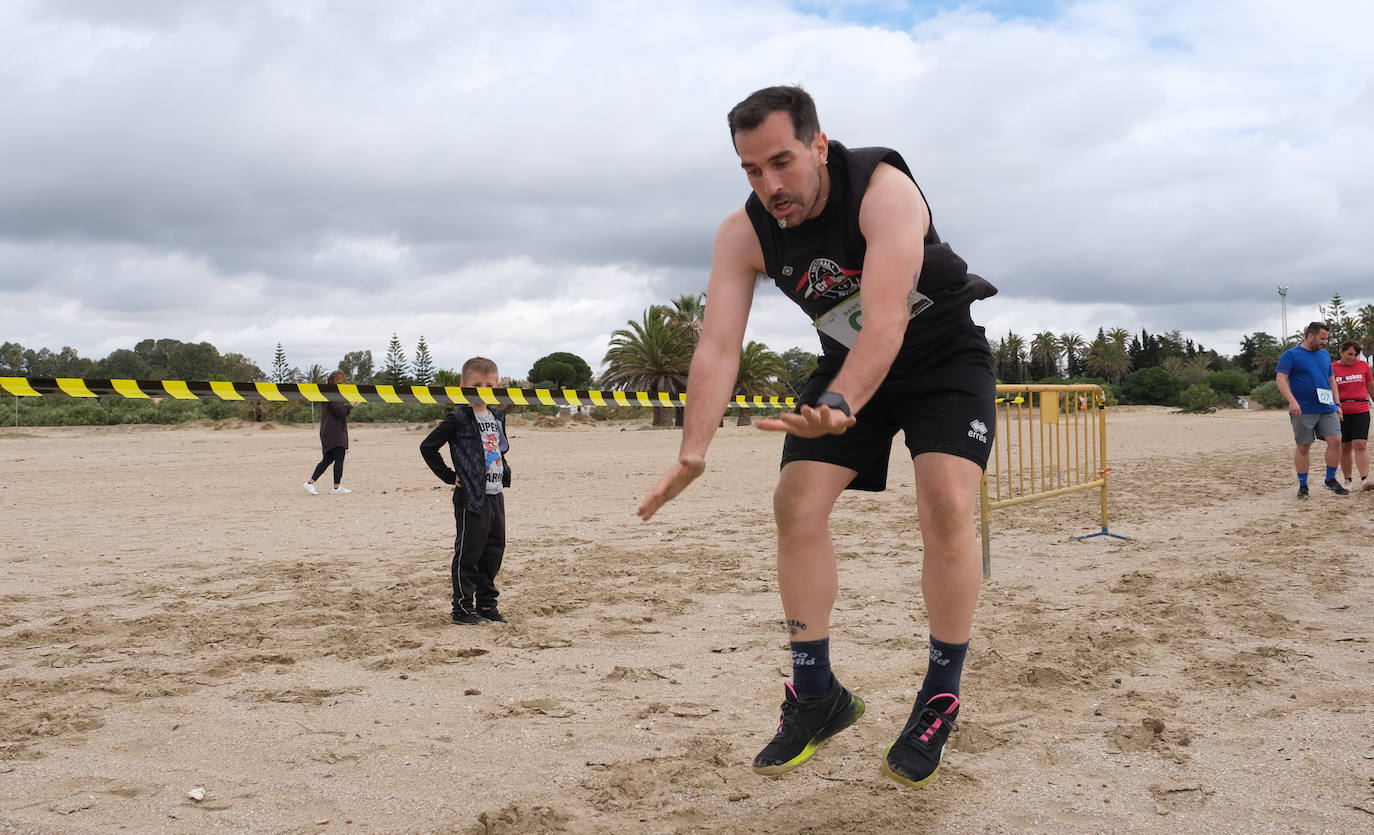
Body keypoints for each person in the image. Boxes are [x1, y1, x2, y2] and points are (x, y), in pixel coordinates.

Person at [638, 86, 998, 789]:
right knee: (796, 500)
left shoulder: (884, 191)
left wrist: (840, 403)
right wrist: (692, 449)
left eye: (781, 162)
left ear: (819, 146)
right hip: (847, 361)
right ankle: (816, 694)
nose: (769, 185)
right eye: (750, 169)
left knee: (949, 503)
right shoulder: (743, 233)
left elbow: (889, 319)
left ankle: (940, 692)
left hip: (943, 358)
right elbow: (717, 345)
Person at [419, 357, 512, 625]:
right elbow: (428, 447)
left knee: (494, 550)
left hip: (495, 494)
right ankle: (462, 608)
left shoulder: (496, 416)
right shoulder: (458, 418)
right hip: (471, 495)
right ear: (463, 386)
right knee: (469, 552)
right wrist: (450, 476)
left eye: (489, 385)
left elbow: (498, 449)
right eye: (476, 385)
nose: (483, 389)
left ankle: (486, 605)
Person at [1276, 322, 1348, 498]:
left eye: (1326, 339)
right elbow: (1281, 378)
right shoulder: (1291, 355)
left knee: (1336, 440)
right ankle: (1303, 485)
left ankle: (1330, 479)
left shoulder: (1324, 355)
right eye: (1322, 338)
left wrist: (1337, 404)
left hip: (1327, 407)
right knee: (1303, 446)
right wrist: (1292, 402)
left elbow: (1332, 380)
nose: (1325, 342)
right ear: (1310, 336)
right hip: (1303, 409)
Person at [303, 370, 356, 495]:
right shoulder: (332, 395)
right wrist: (350, 406)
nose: (343, 385)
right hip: (334, 432)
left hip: (329, 431)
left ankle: (310, 483)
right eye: (341, 382)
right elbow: (340, 412)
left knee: (328, 459)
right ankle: (335, 487)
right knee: (338, 459)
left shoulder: (329, 394)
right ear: (335, 382)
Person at [1333, 340, 1374, 491]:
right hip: (1341, 412)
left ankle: (1364, 479)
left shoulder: (1363, 366)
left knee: (1360, 444)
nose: (1352, 357)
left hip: (1361, 410)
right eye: (1349, 354)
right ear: (1341, 352)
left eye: (1356, 355)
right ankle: (1347, 480)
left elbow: (1370, 386)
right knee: (1345, 447)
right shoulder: (1332, 368)